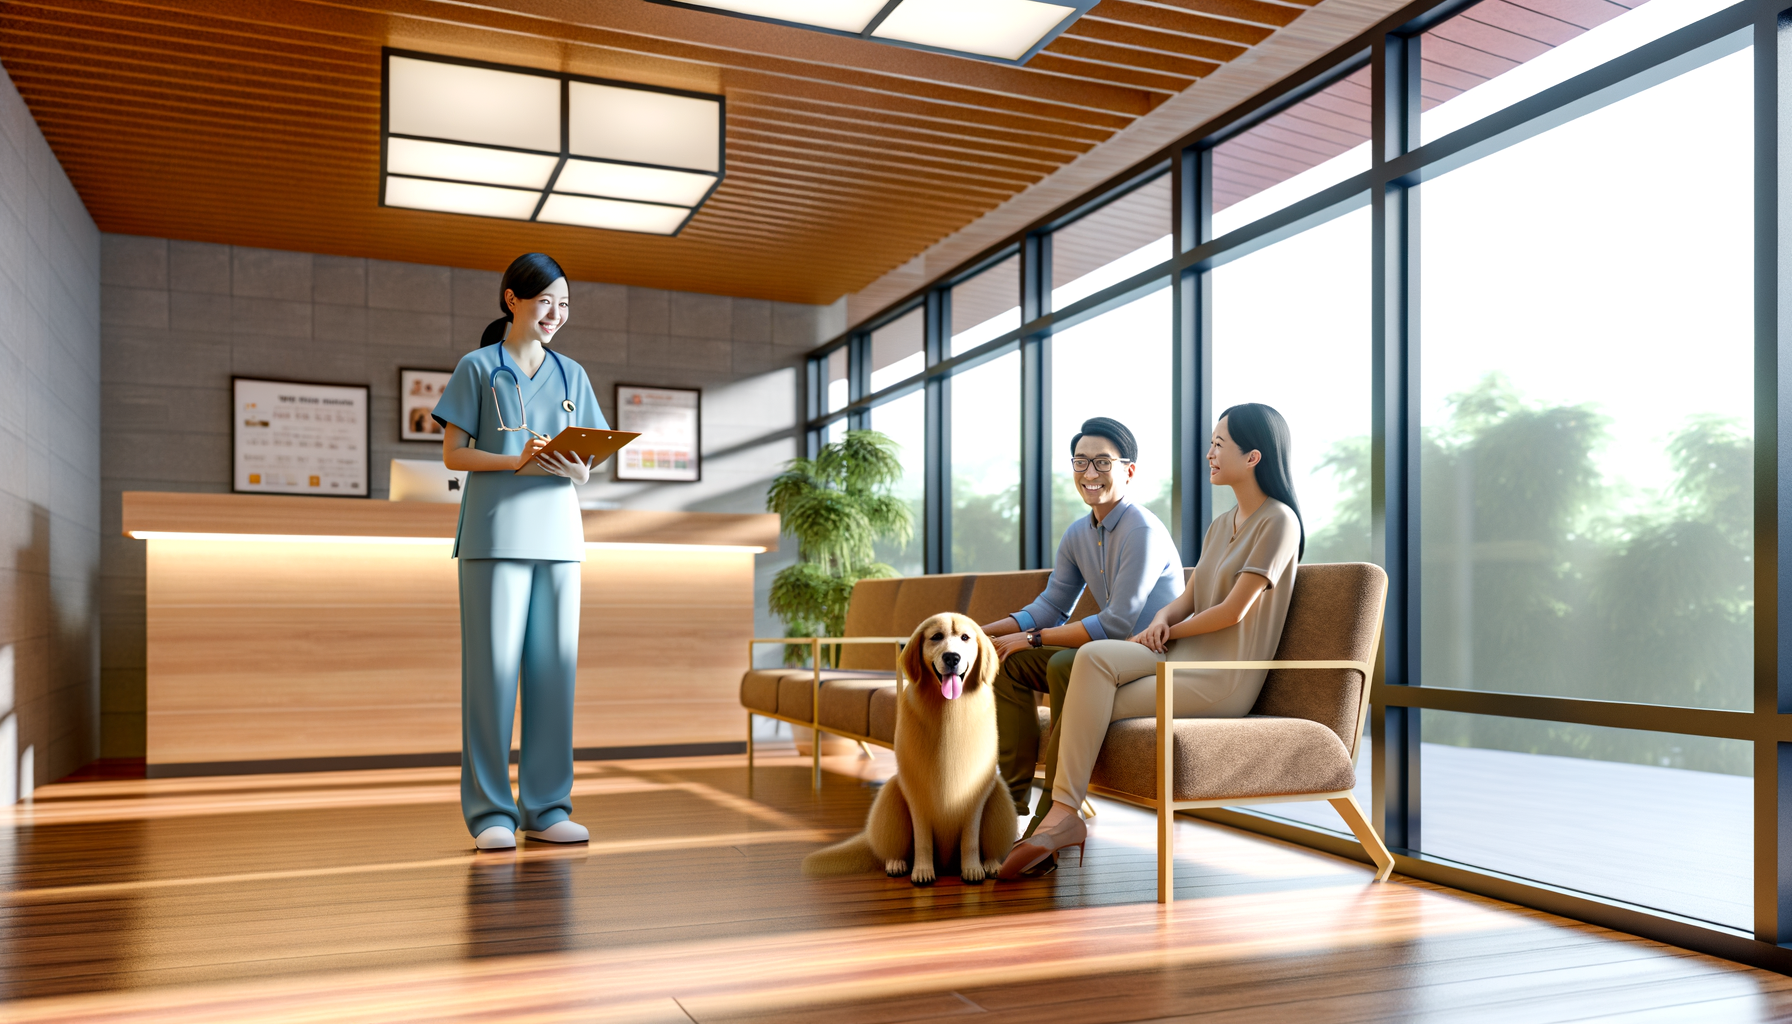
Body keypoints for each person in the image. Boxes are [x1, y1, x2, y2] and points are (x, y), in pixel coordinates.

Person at [999, 403, 1305, 879]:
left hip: (1223, 678)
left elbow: (1232, 611)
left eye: (1219, 445)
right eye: (1211, 444)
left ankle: (1053, 819)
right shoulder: (1222, 524)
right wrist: (1164, 617)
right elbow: (1193, 596)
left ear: (1253, 457)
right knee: (1093, 659)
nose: (1209, 454)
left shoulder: (1279, 521)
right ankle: (1062, 816)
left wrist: (1169, 632)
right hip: (1180, 659)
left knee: (1081, 680)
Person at [432, 252, 606, 851]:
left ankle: (547, 808)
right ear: (512, 300)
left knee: (554, 676)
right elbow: (454, 455)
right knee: (492, 677)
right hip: (495, 535)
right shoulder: (478, 368)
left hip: (559, 539)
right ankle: (489, 815)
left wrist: (578, 473)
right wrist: (516, 461)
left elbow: (586, 459)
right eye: (545, 302)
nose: (556, 314)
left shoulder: (572, 374)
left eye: (565, 305)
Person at [981, 417, 1184, 842]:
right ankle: (1005, 805)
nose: (1089, 474)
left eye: (1102, 463)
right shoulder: (1078, 533)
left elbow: (1116, 622)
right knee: (1006, 661)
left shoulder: (1141, 530)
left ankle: (1047, 823)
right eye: (1080, 462)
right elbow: (1051, 606)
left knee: (1061, 665)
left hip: (1150, 658)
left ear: (1129, 470)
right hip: (1104, 657)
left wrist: (1033, 639)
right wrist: (982, 633)